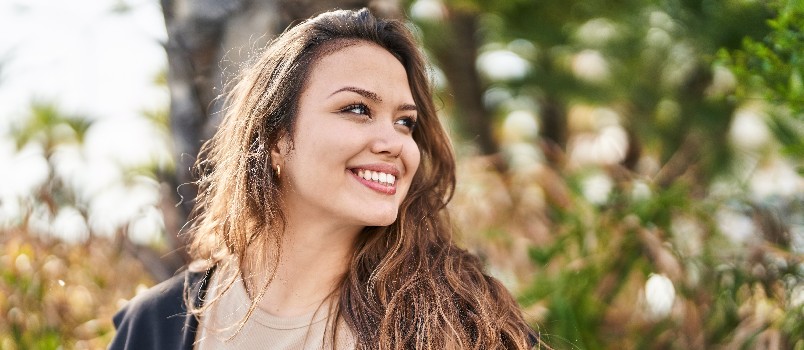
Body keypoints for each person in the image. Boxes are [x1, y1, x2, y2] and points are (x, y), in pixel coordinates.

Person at [110, 8, 538, 350]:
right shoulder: (154, 325)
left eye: (405, 122)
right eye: (357, 109)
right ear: (275, 139)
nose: (394, 142)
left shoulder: (464, 321)